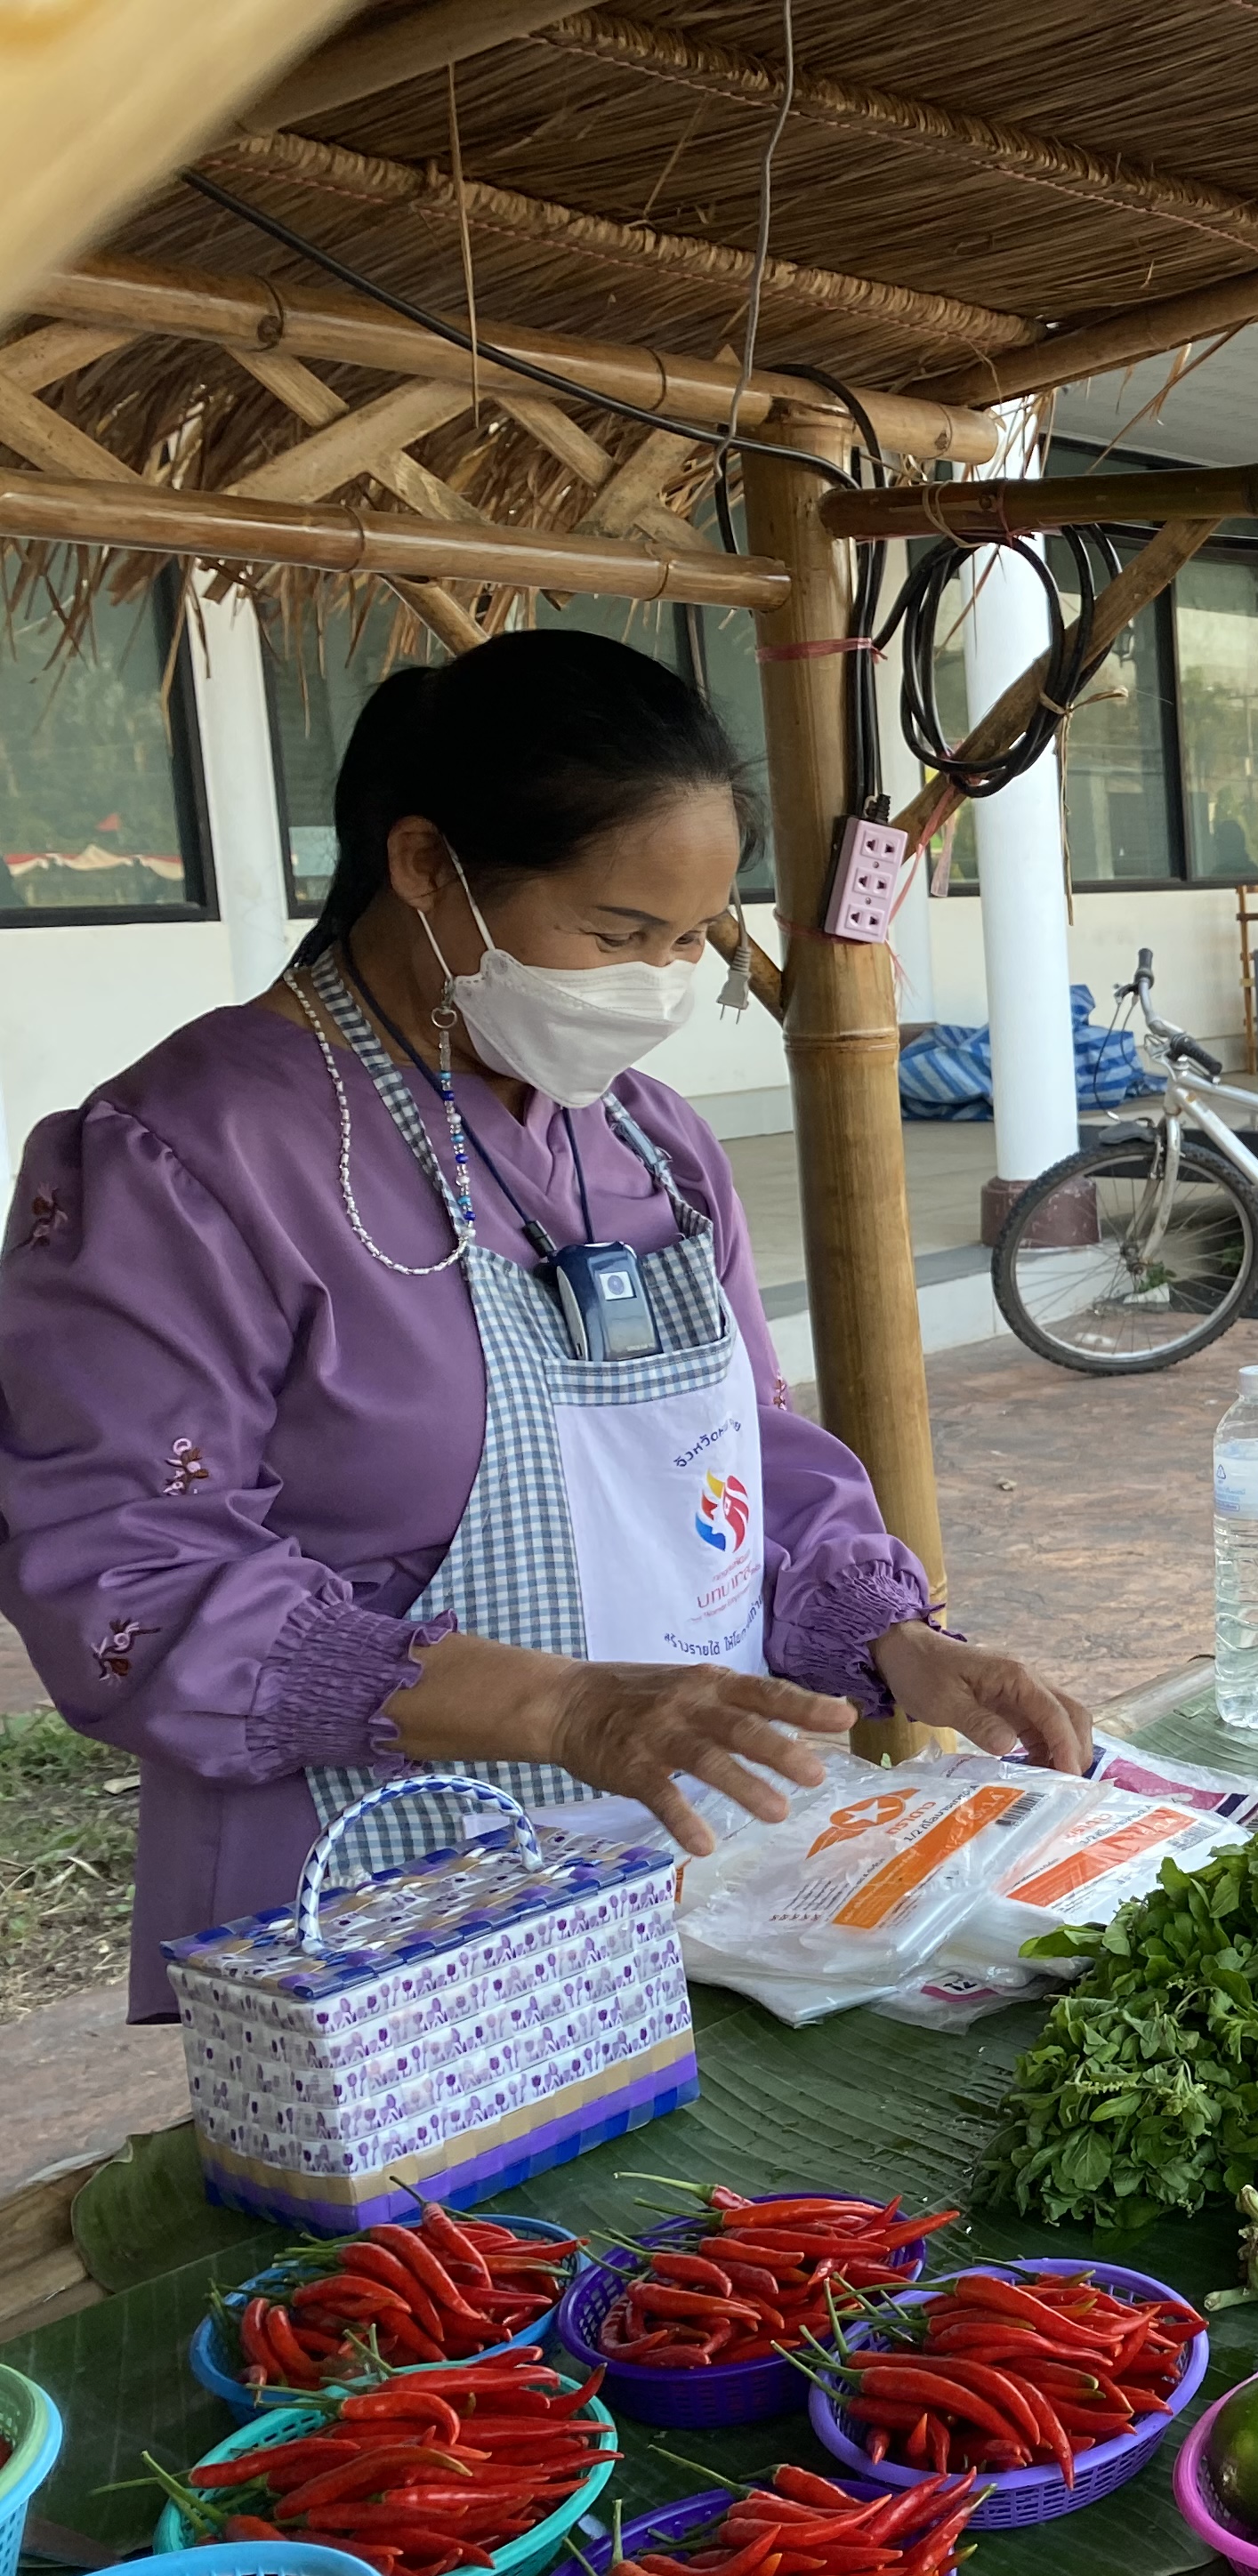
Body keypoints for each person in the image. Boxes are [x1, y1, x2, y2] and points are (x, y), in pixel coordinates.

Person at [0, 629, 1091, 2016]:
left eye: (694, 938)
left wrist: (893, 1642)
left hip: (698, 1864)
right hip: (380, 1907)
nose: (661, 980)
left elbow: (747, 1455)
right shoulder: (189, 1157)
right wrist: (566, 1711)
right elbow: (124, 1572)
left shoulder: (648, 1141)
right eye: (618, 932)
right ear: (425, 869)